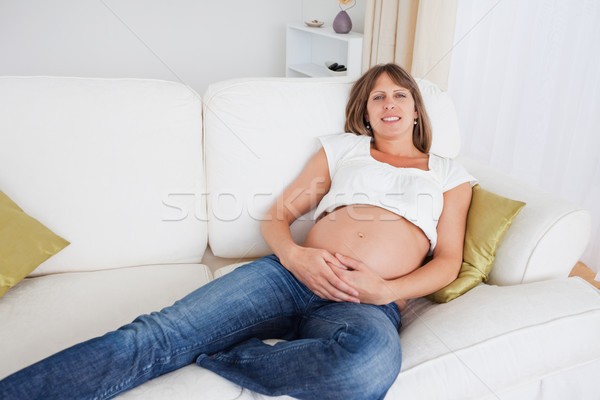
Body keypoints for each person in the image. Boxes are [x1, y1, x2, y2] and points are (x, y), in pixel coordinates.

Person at [0, 63, 474, 400]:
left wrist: (384, 290)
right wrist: (294, 256)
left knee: (364, 369)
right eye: (377, 96)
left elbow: (449, 261)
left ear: (416, 110)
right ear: (365, 114)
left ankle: (226, 356)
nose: (389, 102)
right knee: (153, 336)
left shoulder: (449, 174)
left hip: (363, 301)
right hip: (289, 276)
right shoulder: (344, 151)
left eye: (400, 94)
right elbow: (277, 217)